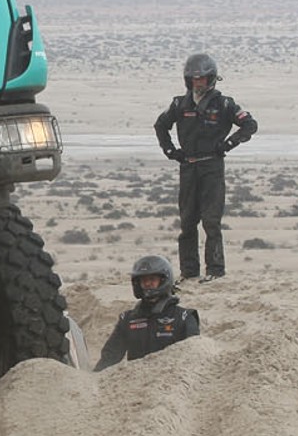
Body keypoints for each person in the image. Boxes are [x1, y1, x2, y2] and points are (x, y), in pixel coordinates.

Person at [154, 51, 257, 282]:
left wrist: (229, 144)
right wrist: (170, 150)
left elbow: (249, 125)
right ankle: (189, 273)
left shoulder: (224, 103)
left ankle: (215, 271)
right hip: (188, 167)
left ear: (211, 78)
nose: (197, 83)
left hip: (212, 166)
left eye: (201, 78)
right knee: (187, 221)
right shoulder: (180, 103)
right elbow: (161, 126)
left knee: (211, 221)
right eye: (193, 79)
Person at [95, 254, 199, 370]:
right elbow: (110, 357)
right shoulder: (128, 319)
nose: (148, 283)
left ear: (164, 280)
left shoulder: (185, 317)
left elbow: (194, 358)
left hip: (172, 380)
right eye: (144, 280)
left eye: (152, 279)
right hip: (134, 382)